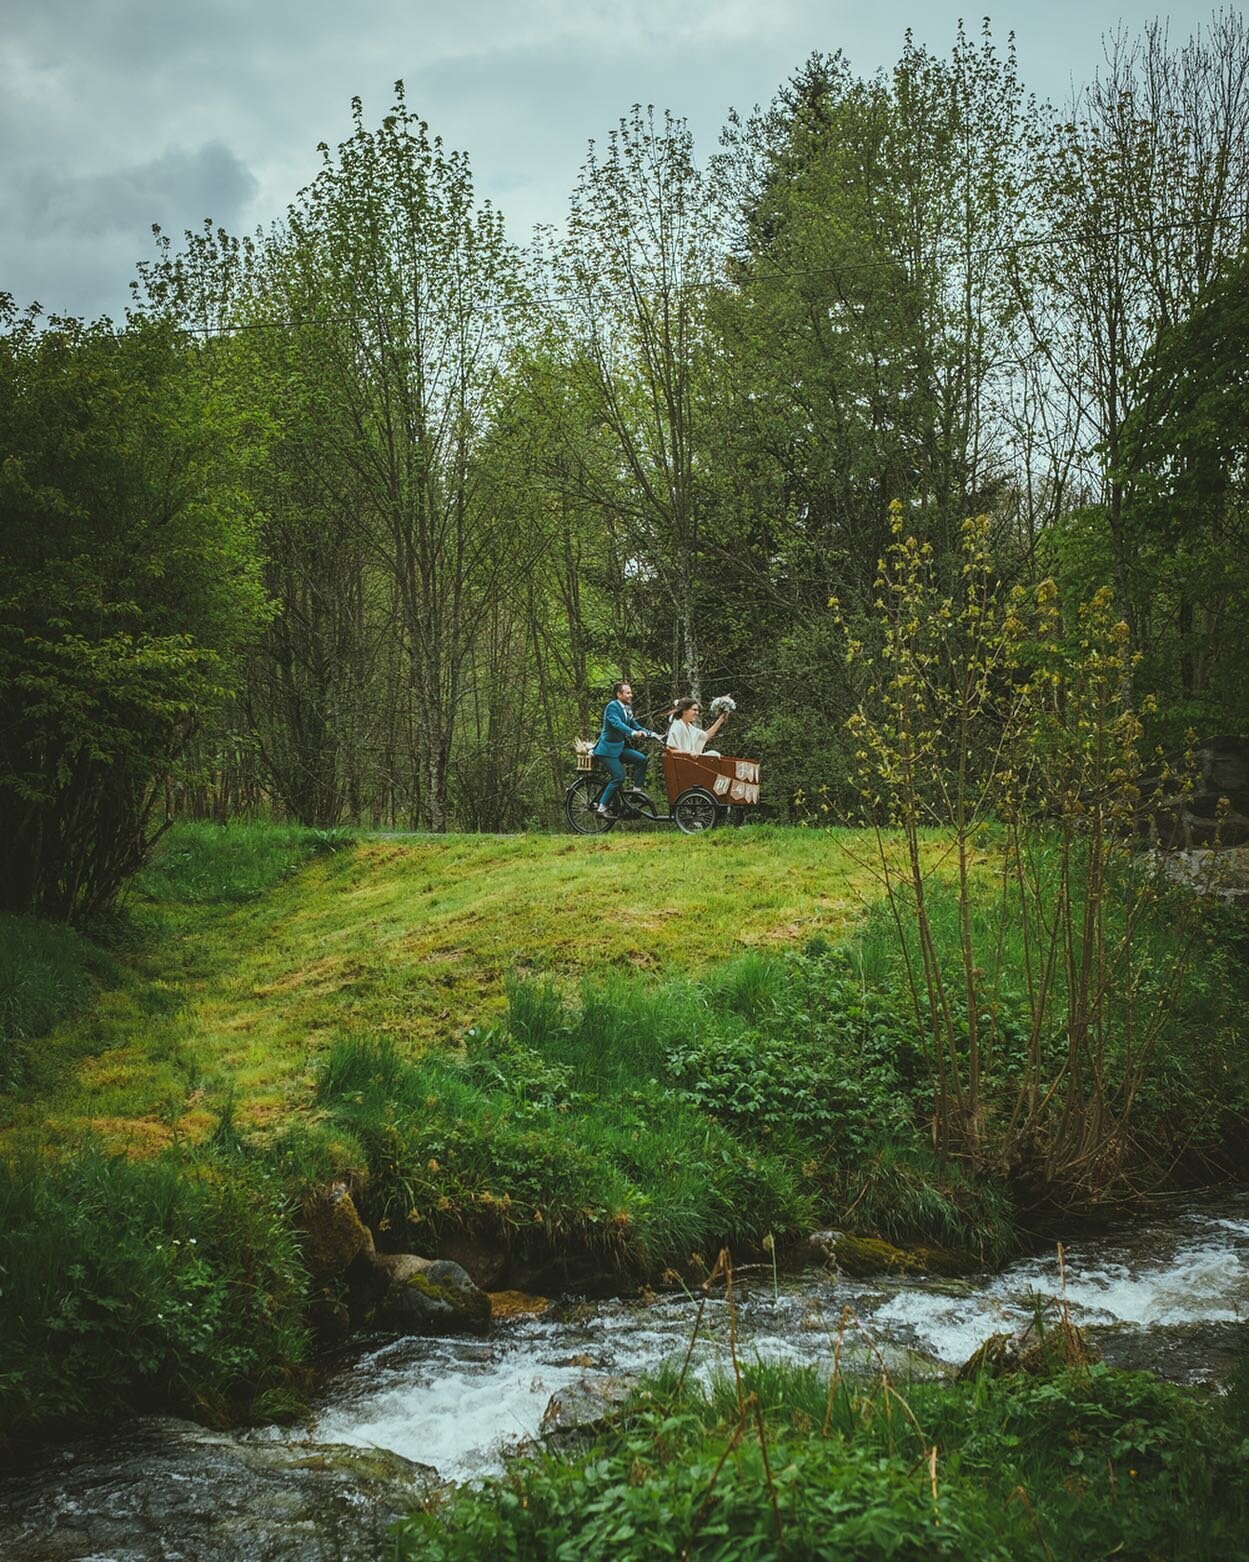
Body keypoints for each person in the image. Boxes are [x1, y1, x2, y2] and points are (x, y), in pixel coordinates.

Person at [592, 680, 653, 816]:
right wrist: (632, 733)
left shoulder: (627, 709)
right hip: (607, 750)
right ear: (619, 694)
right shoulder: (612, 707)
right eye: (628, 693)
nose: (631, 695)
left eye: (631, 692)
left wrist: (652, 734)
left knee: (642, 760)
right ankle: (601, 808)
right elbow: (617, 723)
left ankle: (636, 793)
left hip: (619, 748)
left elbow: (634, 724)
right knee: (619, 777)